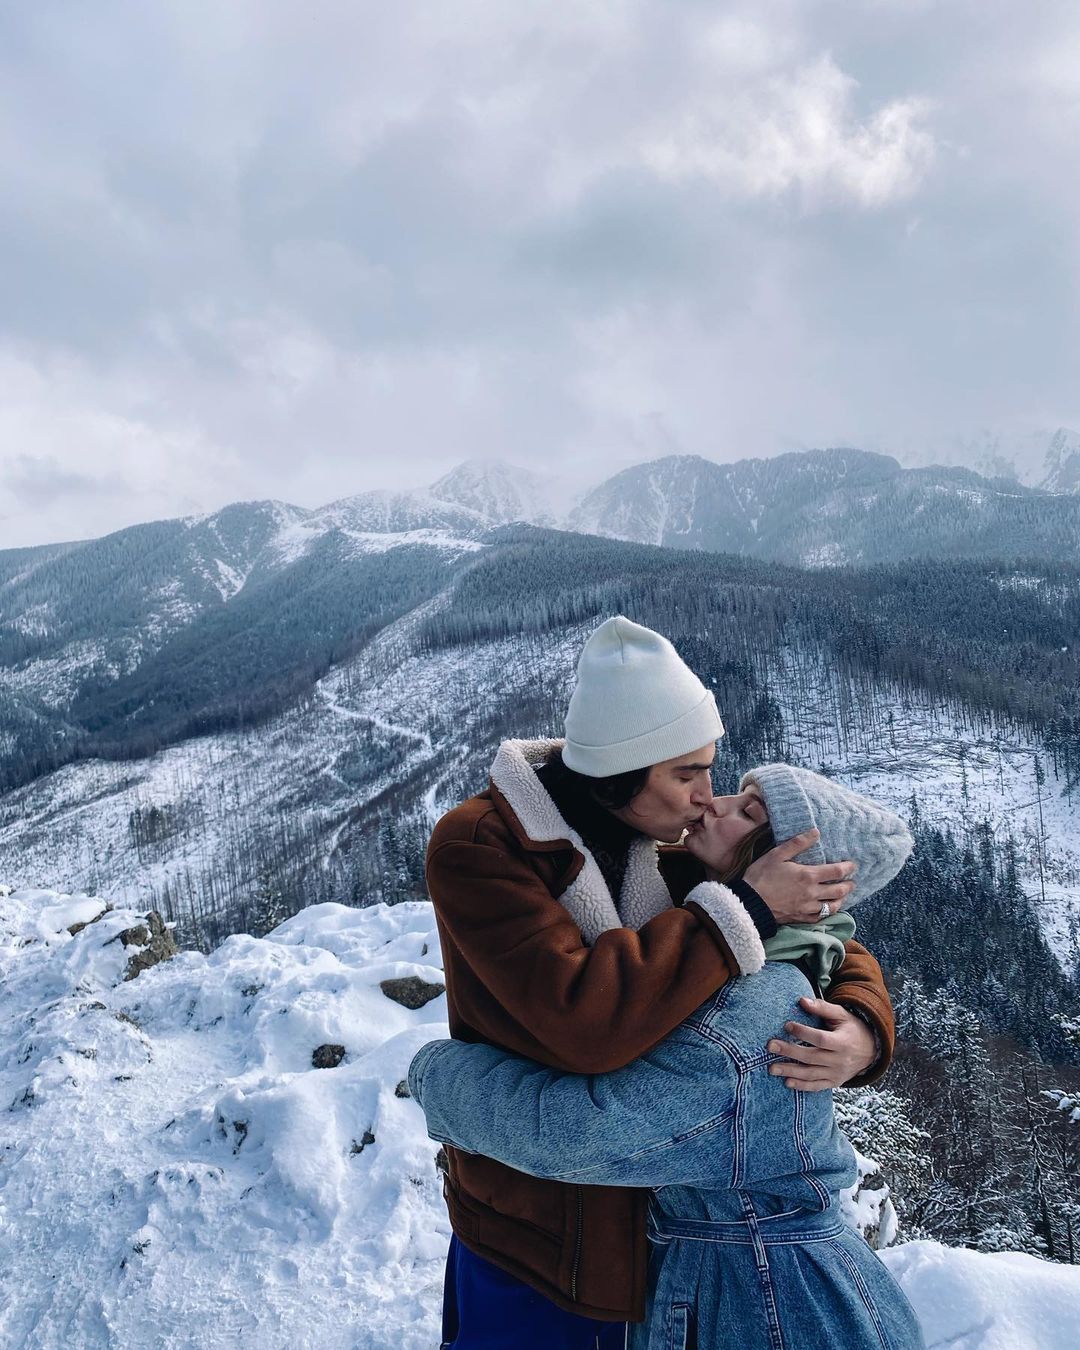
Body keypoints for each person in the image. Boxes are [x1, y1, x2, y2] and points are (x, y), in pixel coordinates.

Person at [424, 615, 895, 1347]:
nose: (706, 796)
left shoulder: (673, 844)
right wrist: (741, 909)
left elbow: (824, 937)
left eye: (711, 767)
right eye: (686, 774)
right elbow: (582, 1024)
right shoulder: (485, 847)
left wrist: (863, 1027)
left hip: (655, 1240)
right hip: (535, 1229)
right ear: (617, 775)